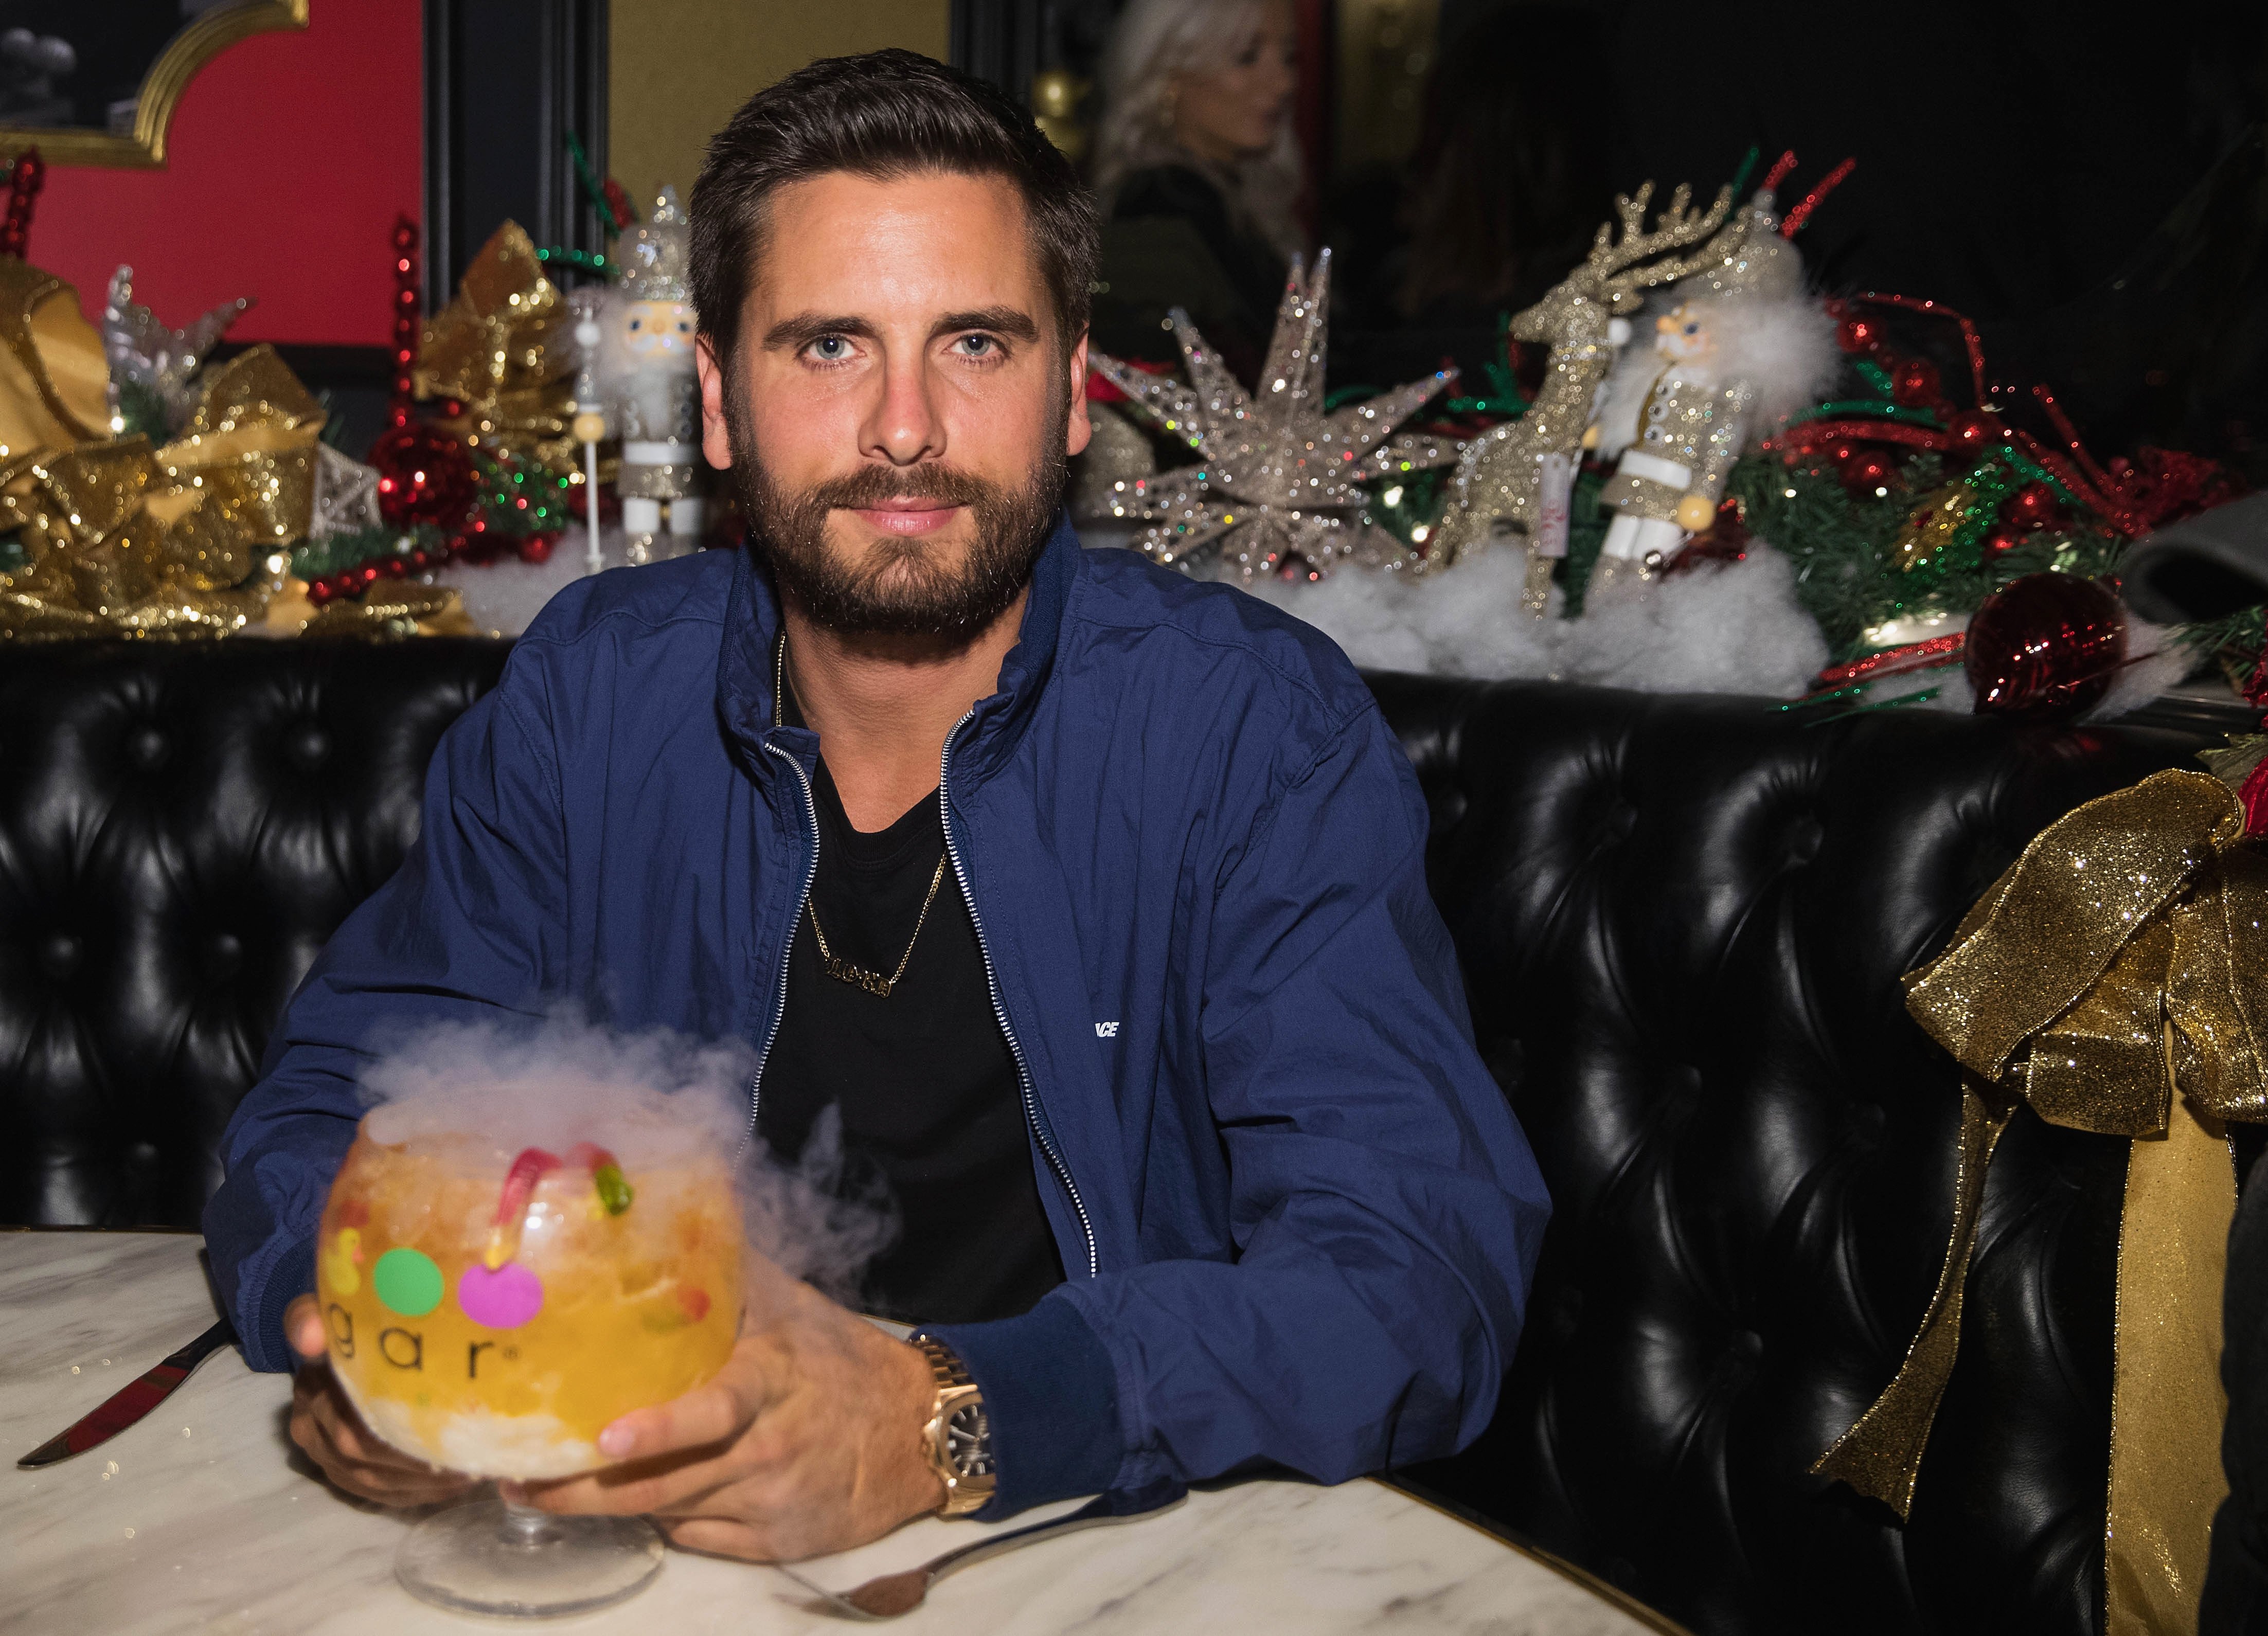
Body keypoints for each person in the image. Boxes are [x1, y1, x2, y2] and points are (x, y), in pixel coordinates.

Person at [204, 49, 1548, 1562]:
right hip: (630, 1518)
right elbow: (334, 1114)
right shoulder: (592, 696)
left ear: (1066, 393)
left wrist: (950, 1414)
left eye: (973, 343)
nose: (902, 425)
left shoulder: (1250, 729)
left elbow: (1413, 1278)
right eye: (827, 345)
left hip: (1082, 1536)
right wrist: (352, 1342)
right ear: (717, 400)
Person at [1086, 0, 1301, 381]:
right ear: (1170, 72)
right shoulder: (1165, 203)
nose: (1284, 82)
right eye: (1246, 57)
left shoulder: (1227, 197)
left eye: (1287, 57)